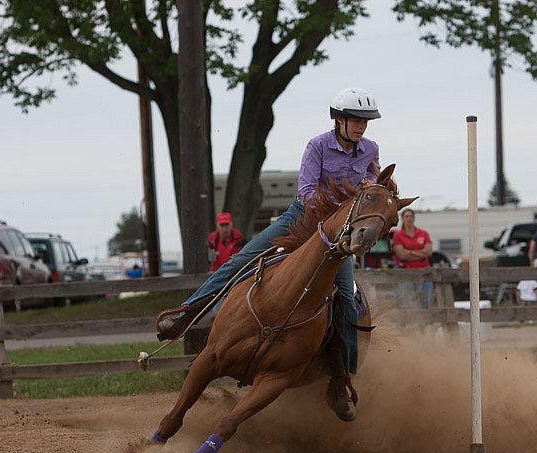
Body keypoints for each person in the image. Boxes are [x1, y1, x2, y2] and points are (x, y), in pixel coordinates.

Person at [156, 87, 382, 421]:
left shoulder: (370, 150)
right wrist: (334, 208)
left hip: (337, 233)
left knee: (348, 299)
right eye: (355, 120)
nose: (361, 127)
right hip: (302, 219)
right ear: (338, 119)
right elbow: (306, 191)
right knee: (241, 258)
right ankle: (187, 314)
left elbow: (373, 176)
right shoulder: (317, 146)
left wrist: (369, 191)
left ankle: (339, 378)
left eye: (365, 121)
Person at [392, 208, 434, 308]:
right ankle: (406, 322)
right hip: (405, 271)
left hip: (423, 271)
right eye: (406, 216)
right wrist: (421, 253)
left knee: (426, 300)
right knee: (404, 300)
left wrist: (410, 252)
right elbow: (401, 255)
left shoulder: (423, 233)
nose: (409, 219)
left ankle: (424, 322)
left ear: (414, 218)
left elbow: (429, 252)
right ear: (402, 219)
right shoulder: (398, 235)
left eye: (411, 216)